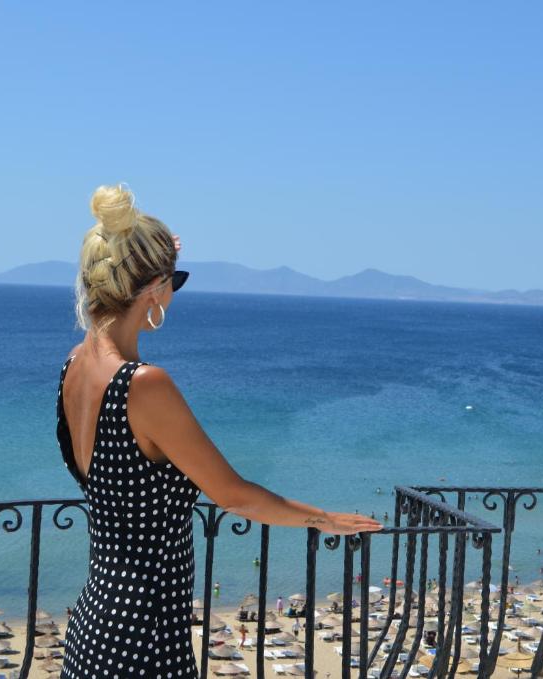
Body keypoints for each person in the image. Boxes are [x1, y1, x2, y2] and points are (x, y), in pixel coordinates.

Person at [54, 184, 385, 679]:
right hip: (143, 637)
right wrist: (322, 518)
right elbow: (233, 494)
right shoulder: (144, 386)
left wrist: (155, 256)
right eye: (174, 282)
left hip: (95, 627)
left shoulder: (74, 367)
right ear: (153, 291)